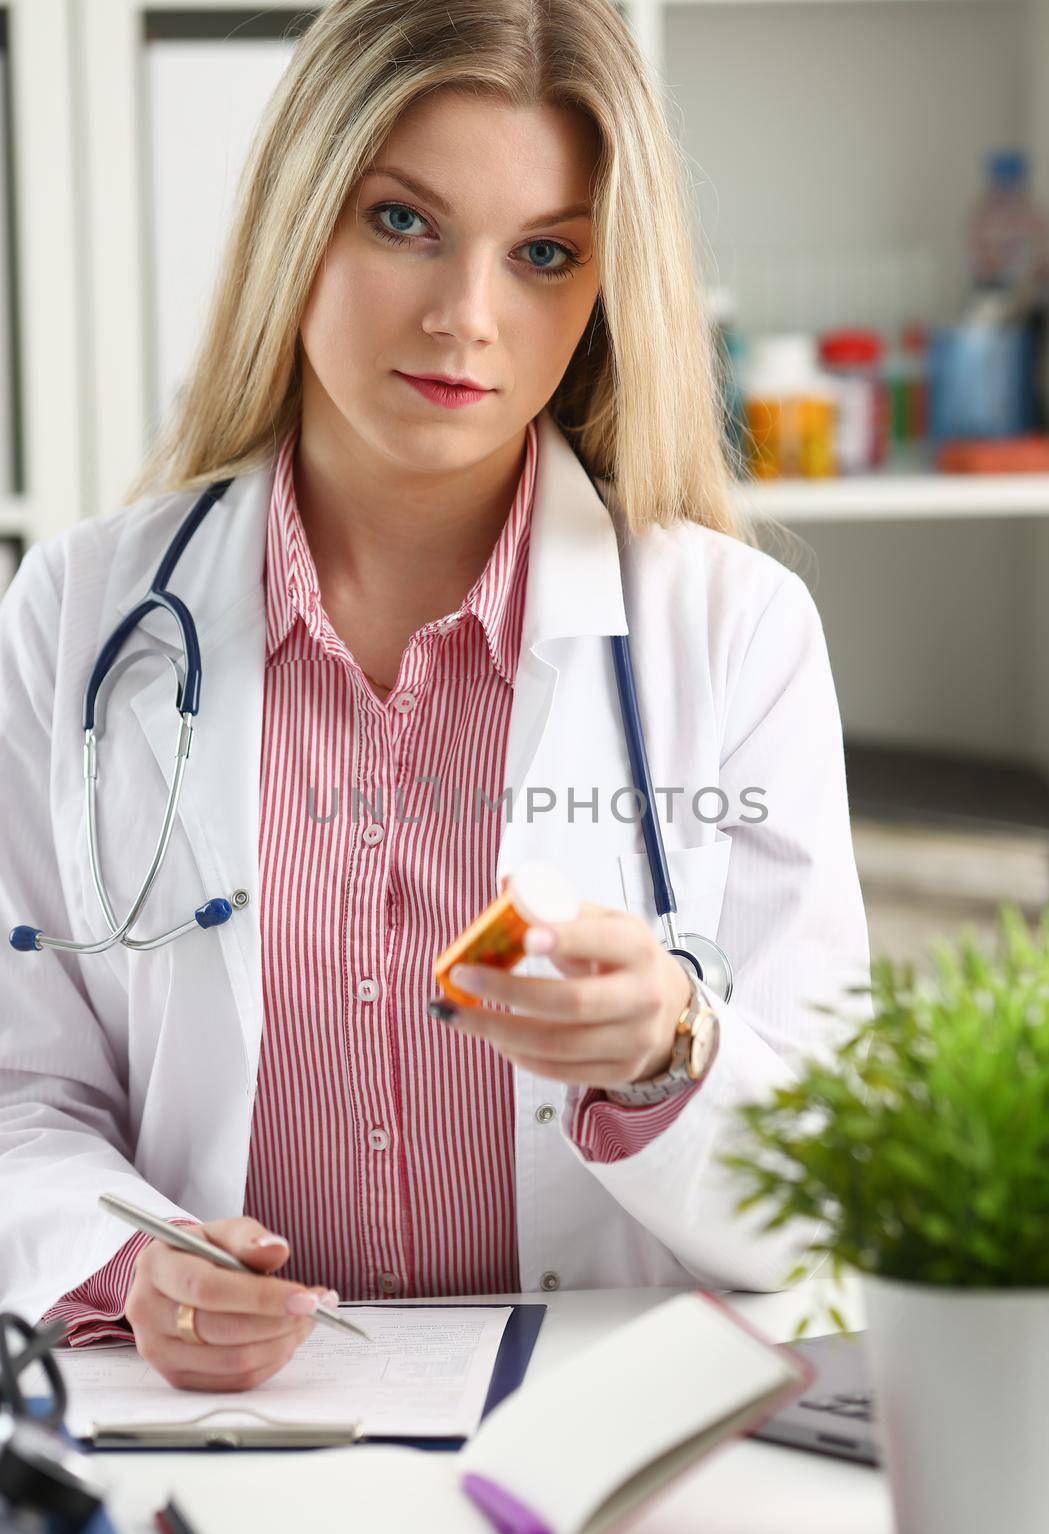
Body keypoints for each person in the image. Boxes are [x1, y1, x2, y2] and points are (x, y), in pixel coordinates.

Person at [0, 0, 870, 1393]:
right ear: (301, 219)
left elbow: (833, 1188)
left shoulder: (735, 631)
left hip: (596, 1432)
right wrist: (132, 1264)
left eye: (542, 254)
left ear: (603, 288)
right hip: (219, 1431)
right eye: (403, 221)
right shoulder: (80, 616)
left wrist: (668, 1056)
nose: (467, 318)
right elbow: (21, 1089)